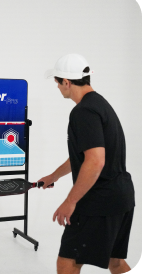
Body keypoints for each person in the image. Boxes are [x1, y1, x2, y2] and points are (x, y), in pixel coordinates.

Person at [39, 54, 135, 274]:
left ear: (67, 82)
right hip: (122, 196)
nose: (56, 86)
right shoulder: (99, 104)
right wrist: (54, 176)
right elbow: (84, 157)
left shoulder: (82, 112)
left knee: (67, 263)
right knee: (116, 262)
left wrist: (70, 201)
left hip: (98, 202)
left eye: (57, 81)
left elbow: (95, 161)